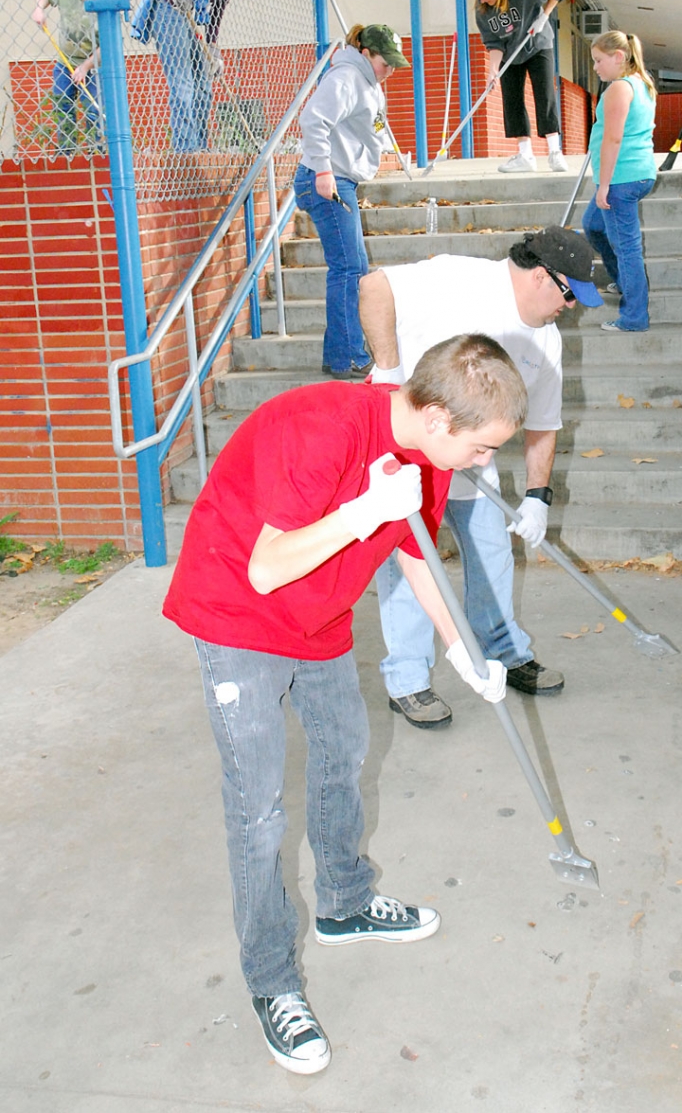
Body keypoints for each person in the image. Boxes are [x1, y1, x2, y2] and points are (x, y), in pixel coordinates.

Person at [163, 334, 527, 1075]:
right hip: (238, 617)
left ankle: (345, 901)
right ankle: (272, 981)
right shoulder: (319, 428)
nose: (486, 462)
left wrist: (463, 652)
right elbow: (266, 569)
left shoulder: (422, 458)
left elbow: (415, 549)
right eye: (483, 448)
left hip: (320, 620)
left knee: (342, 756)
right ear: (438, 421)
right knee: (259, 810)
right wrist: (365, 511)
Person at [358, 226, 600, 729]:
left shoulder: (546, 341)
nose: (571, 307)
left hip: (470, 463)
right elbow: (373, 286)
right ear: (541, 277)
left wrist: (538, 496)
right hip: (408, 456)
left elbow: (543, 424)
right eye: (570, 294)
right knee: (407, 569)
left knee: (491, 555)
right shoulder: (460, 278)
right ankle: (408, 682)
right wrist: (387, 373)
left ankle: (505, 653)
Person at [295, 23, 409, 379]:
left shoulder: (368, 84)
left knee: (354, 269)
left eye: (393, 64)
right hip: (328, 181)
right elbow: (312, 119)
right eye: (384, 62)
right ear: (365, 54)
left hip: (341, 180)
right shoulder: (345, 78)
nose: (389, 70)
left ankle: (339, 354)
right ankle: (348, 357)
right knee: (348, 270)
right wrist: (324, 172)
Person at [131, 0, 277, 152]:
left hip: (184, 13)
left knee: (203, 85)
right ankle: (185, 149)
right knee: (184, 82)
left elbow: (215, 16)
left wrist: (213, 52)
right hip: (169, 6)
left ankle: (200, 146)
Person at [581, 30, 658, 333]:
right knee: (594, 225)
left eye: (599, 61)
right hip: (634, 174)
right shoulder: (642, 84)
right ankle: (623, 280)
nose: (596, 67)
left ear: (618, 57)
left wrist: (603, 186)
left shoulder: (619, 89)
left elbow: (613, 139)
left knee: (627, 248)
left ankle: (634, 317)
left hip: (620, 178)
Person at [468, 0, 569, 174]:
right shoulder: (483, 12)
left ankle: (554, 152)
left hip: (538, 44)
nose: (482, 0)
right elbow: (494, 43)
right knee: (512, 100)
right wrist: (492, 71)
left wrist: (544, 16)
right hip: (510, 53)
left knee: (545, 95)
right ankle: (525, 155)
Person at [31, 0, 101, 156]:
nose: (89, 0)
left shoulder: (103, 0)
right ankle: (66, 153)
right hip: (66, 62)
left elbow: (107, 46)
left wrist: (85, 67)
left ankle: (97, 152)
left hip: (93, 64)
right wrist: (39, 9)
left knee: (93, 110)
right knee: (63, 106)